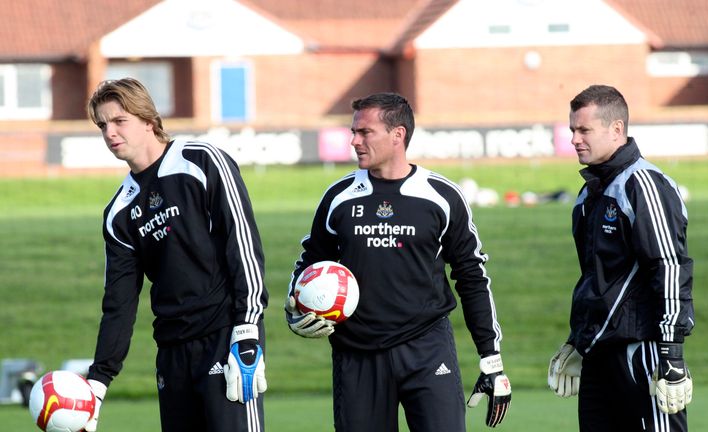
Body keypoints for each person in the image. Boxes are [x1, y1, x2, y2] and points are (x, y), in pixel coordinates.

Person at [285, 92, 511, 431]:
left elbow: (472, 276)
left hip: (427, 348)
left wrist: (491, 359)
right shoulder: (339, 197)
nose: (354, 141)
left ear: (398, 134)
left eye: (365, 133)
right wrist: (296, 310)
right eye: (353, 132)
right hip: (357, 353)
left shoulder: (441, 196)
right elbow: (310, 261)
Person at [84, 78, 268, 432]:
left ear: (147, 120)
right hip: (171, 353)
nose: (110, 133)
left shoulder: (201, 161)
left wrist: (247, 328)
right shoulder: (119, 212)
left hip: (226, 338)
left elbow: (242, 243)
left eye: (119, 121)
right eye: (102, 125)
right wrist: (98, 381)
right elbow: (119, 304)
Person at [547, 84, 694, 431]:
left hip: (642, 352)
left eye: (584, 130)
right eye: (572, 130)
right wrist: (577, 337)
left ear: (616, 130)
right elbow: (597, 280)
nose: (574, 140)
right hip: (597, 355)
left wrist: (670, 353)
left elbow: (669, 267)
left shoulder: (643, 185)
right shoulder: (589, 195)